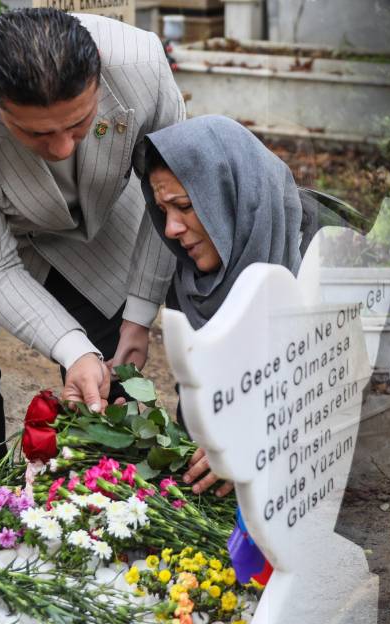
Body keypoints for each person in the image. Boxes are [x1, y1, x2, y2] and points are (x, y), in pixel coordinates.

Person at [0, 8, 185, 487]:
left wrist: (138, 315)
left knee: (109, 380)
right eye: (37, 132)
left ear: (98, 69)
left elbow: (168, 199)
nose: (61, 149)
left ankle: (100, 502)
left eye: (78, 125)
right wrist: (70, 347)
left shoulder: (142, 66)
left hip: (94, 228)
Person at [132, 114, 304, 497]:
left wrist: (255, 441)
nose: (172, 229)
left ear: (231, 194)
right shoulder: (192, 282)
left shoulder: (314, 260)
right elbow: (195, 417)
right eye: (164, 212)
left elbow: (326, 401)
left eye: (185, 206)